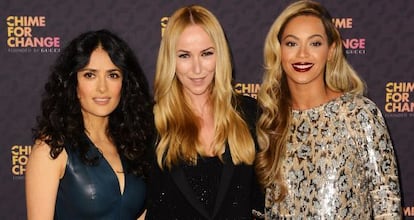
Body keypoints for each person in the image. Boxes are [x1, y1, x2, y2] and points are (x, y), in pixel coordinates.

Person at [255, 0, 402, 219]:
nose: (302, 54)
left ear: (331, 51)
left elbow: (386, 201)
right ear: (279, 50)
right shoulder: (269, 121)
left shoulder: (358, 114)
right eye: (292, 43)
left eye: (315, 43)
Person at [145, 4, 264, 220]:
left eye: (206, 53)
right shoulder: (149, 123)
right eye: (184, 56)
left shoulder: (249, 113)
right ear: (170, 59)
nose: (197, 68)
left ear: (220, 55)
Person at [25, 29, 155, 220]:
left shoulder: (135, 144)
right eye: (90, 75)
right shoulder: (51, 149)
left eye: (113, 75)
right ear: (73, 84)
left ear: (125, 83)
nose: (102, 88)